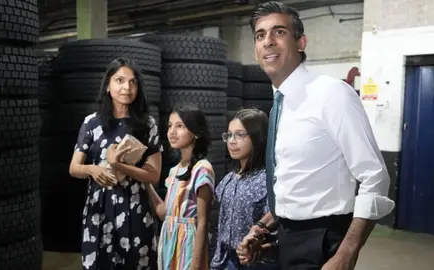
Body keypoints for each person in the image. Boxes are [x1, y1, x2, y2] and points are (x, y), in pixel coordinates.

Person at [237, 2, 396, 270]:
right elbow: (296, 185)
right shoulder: (281, 104)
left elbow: (375, 178)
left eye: (279, 32)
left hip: (323, 239)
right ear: (255, 50)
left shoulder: (331, 94)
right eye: (260, 35)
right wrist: (263, 227)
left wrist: (347, 254)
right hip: (287, 236)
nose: (268, 42)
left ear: (301, 42)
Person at [68, 57, 162, 270]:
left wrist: (118, 165)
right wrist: (92, 169)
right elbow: (74, 168)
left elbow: (154, 175)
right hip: (99, 208)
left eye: (133, 82)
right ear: (108, 86)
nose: (127, 87)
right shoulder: (91, 123)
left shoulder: (147, 125)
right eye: (119, 80)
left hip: (136, 207)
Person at [145, 105, 215, 270]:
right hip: (169, 240)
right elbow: (165, 213)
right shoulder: (174, 171)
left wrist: (195, 264)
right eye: (170, 126)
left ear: (196, 132)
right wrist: (146, 183)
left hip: (188, 243)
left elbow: (203, 222)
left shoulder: (202, 169)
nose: (172, 132)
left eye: (180, 126)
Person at [210, 108, 279, 270]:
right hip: (226, 261)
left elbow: (276, 224)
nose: (232, 141)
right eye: (229, 135)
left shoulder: (269, 179)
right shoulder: (230, 178)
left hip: (258, 263)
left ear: (257, 138)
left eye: (240, 135)